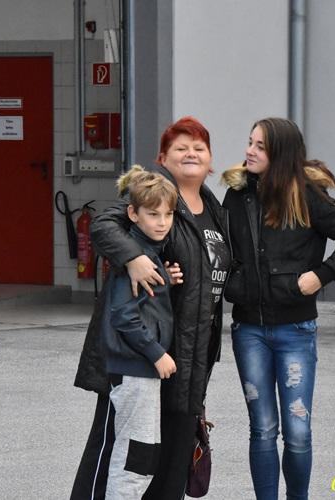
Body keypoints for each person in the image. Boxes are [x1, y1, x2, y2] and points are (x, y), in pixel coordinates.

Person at [71, 116, 230, 500]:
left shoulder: (213, 206)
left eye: (199, 148)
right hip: (143, 353)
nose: (191, 154)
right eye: (181, 147)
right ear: (163, 157)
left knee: (171, 456)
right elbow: (105, 225)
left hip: (192, 354)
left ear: (210, 159)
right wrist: (135, 259)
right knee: (125, 453)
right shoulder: (152, 195)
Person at [221, 117, 335, 500]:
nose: (249, 151)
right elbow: (221, 248)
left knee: (298, 430)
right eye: (249, 142)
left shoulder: (307, 194)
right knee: (262, 429)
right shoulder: (237, 195)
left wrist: (320, 276)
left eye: (260, 146)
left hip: (296, 330)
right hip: (248, 329)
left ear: (281, 153)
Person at [92, 166, 178, 499]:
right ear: (133, 214)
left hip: (139, 371)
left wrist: (167, 277)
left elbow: (143, 304)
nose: (162, 222)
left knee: (141, 458)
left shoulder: (149, 256)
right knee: (135, 462)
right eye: (153, 214)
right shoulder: (136, 260)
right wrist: (157, 354)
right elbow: (124, 315)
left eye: (168, 214)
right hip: (136, 370)